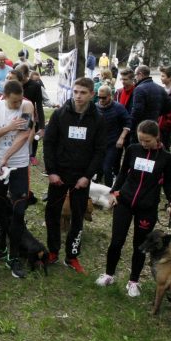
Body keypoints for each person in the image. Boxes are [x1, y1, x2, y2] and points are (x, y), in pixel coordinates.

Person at [97, 120, 171, 297]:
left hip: (147, 208)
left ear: (157, 137)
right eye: (141, 139)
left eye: (147, 140)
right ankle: (109, 274)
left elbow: (169, 183)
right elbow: (123, 171)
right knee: (116, 241)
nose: (143, 144)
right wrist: (114, 192)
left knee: (140, 246)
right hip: (124, 202)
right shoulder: (133, 150)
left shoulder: (166, 158)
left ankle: (134, 281)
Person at [43, 77, 107, 271]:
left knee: (78, 216)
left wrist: (87, 176)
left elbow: (100, 150)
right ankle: (53, 251)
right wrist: (52, 172)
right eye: (76, 92)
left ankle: (72, 256)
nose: (78, 96)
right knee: (52, 213)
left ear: (91, 95)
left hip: (81, 176)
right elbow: (48, 143)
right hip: (59, 175)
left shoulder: (98, 119)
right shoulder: (60, 114)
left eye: (83, 93)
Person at [0, 79, 34, 279]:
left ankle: (14, 256)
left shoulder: (27, 105)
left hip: (18, 165)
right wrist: (9, 127)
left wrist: (7, 157)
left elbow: (24, 134)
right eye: (14, 102)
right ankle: (1, 246)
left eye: (19, 100)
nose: (17, 104)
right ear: (4, 97)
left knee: (19, 210)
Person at [96, 84, 131, 186]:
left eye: (104, 97)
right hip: (99, 143)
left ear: (110, 96)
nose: (101, 100)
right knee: (98, 165)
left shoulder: (118, 108)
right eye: (99, 97)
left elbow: (128, 123)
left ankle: (109, 189)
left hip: (112, 143)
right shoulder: (95, 107)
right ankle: (98, 180)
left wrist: (121, 137)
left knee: (107, 167)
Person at [129, 65, 171, 142]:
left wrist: (130, 125)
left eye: (135, 75)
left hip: (140, 128)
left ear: (140, 74)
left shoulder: (139, 89)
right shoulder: (159, 88)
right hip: (154, 125)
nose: (135, 77)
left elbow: (137, 111)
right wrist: (158, 113)